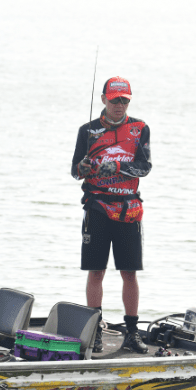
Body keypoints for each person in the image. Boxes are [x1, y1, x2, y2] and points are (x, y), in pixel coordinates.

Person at [71, 77, 151, 354]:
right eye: (115, 99)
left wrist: (116, 166)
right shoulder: (88, 130)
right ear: (103, 99)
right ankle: (94, 333)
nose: (119, 105)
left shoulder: (140, 129)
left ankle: (132, 332)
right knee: (97, 271)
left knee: (129, 272)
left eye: (124, 100)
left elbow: (145, 167)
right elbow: (74, 171)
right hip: (97, 208)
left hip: (129, 210)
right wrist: (84, 167)